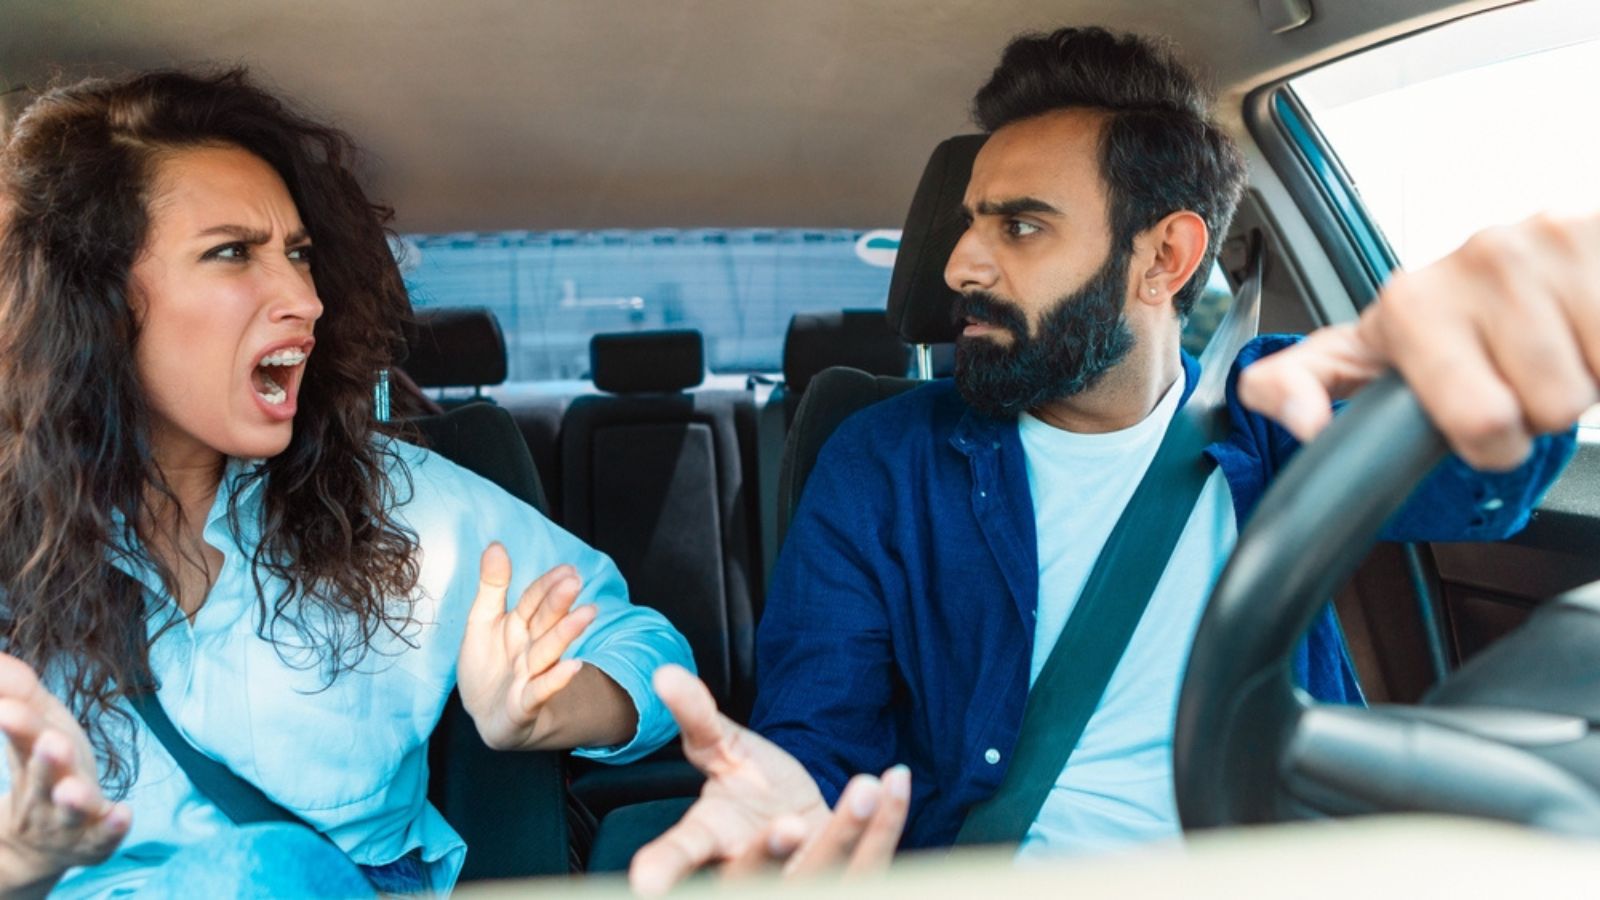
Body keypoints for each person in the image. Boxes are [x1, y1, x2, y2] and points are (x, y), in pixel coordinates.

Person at [629, 26, 1597, 892]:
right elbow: (820, 728)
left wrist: (1514, 367)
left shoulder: (1273, 405)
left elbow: (1473, 492)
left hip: (1281, 862)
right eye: (970, 222)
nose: (959, 264)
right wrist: (790, 801)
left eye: (1018, 225)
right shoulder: (881, 461)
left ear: (1164, 259)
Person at [0, 69, 694, 898]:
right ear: (98, 300)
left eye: (299, 254)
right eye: (232, 253)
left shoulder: (394, 503)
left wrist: (550, 705)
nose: (304, 297)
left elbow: (649, 651)